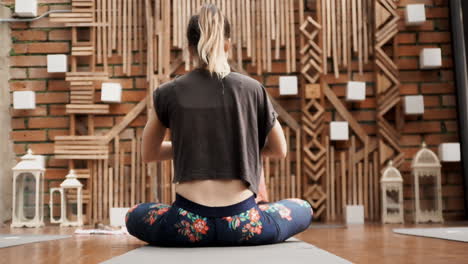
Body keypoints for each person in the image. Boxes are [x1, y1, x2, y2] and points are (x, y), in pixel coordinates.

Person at [125, 4, 313, 247]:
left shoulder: (167, 92)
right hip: (245, 224)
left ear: (190, 48)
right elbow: (279, 150)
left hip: (186, 225)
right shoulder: (253, 88)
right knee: (303, 208)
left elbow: (149, 154)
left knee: (133, 214)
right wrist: (236, 147)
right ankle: (256, 213)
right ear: (227, 44)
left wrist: (193, 146)